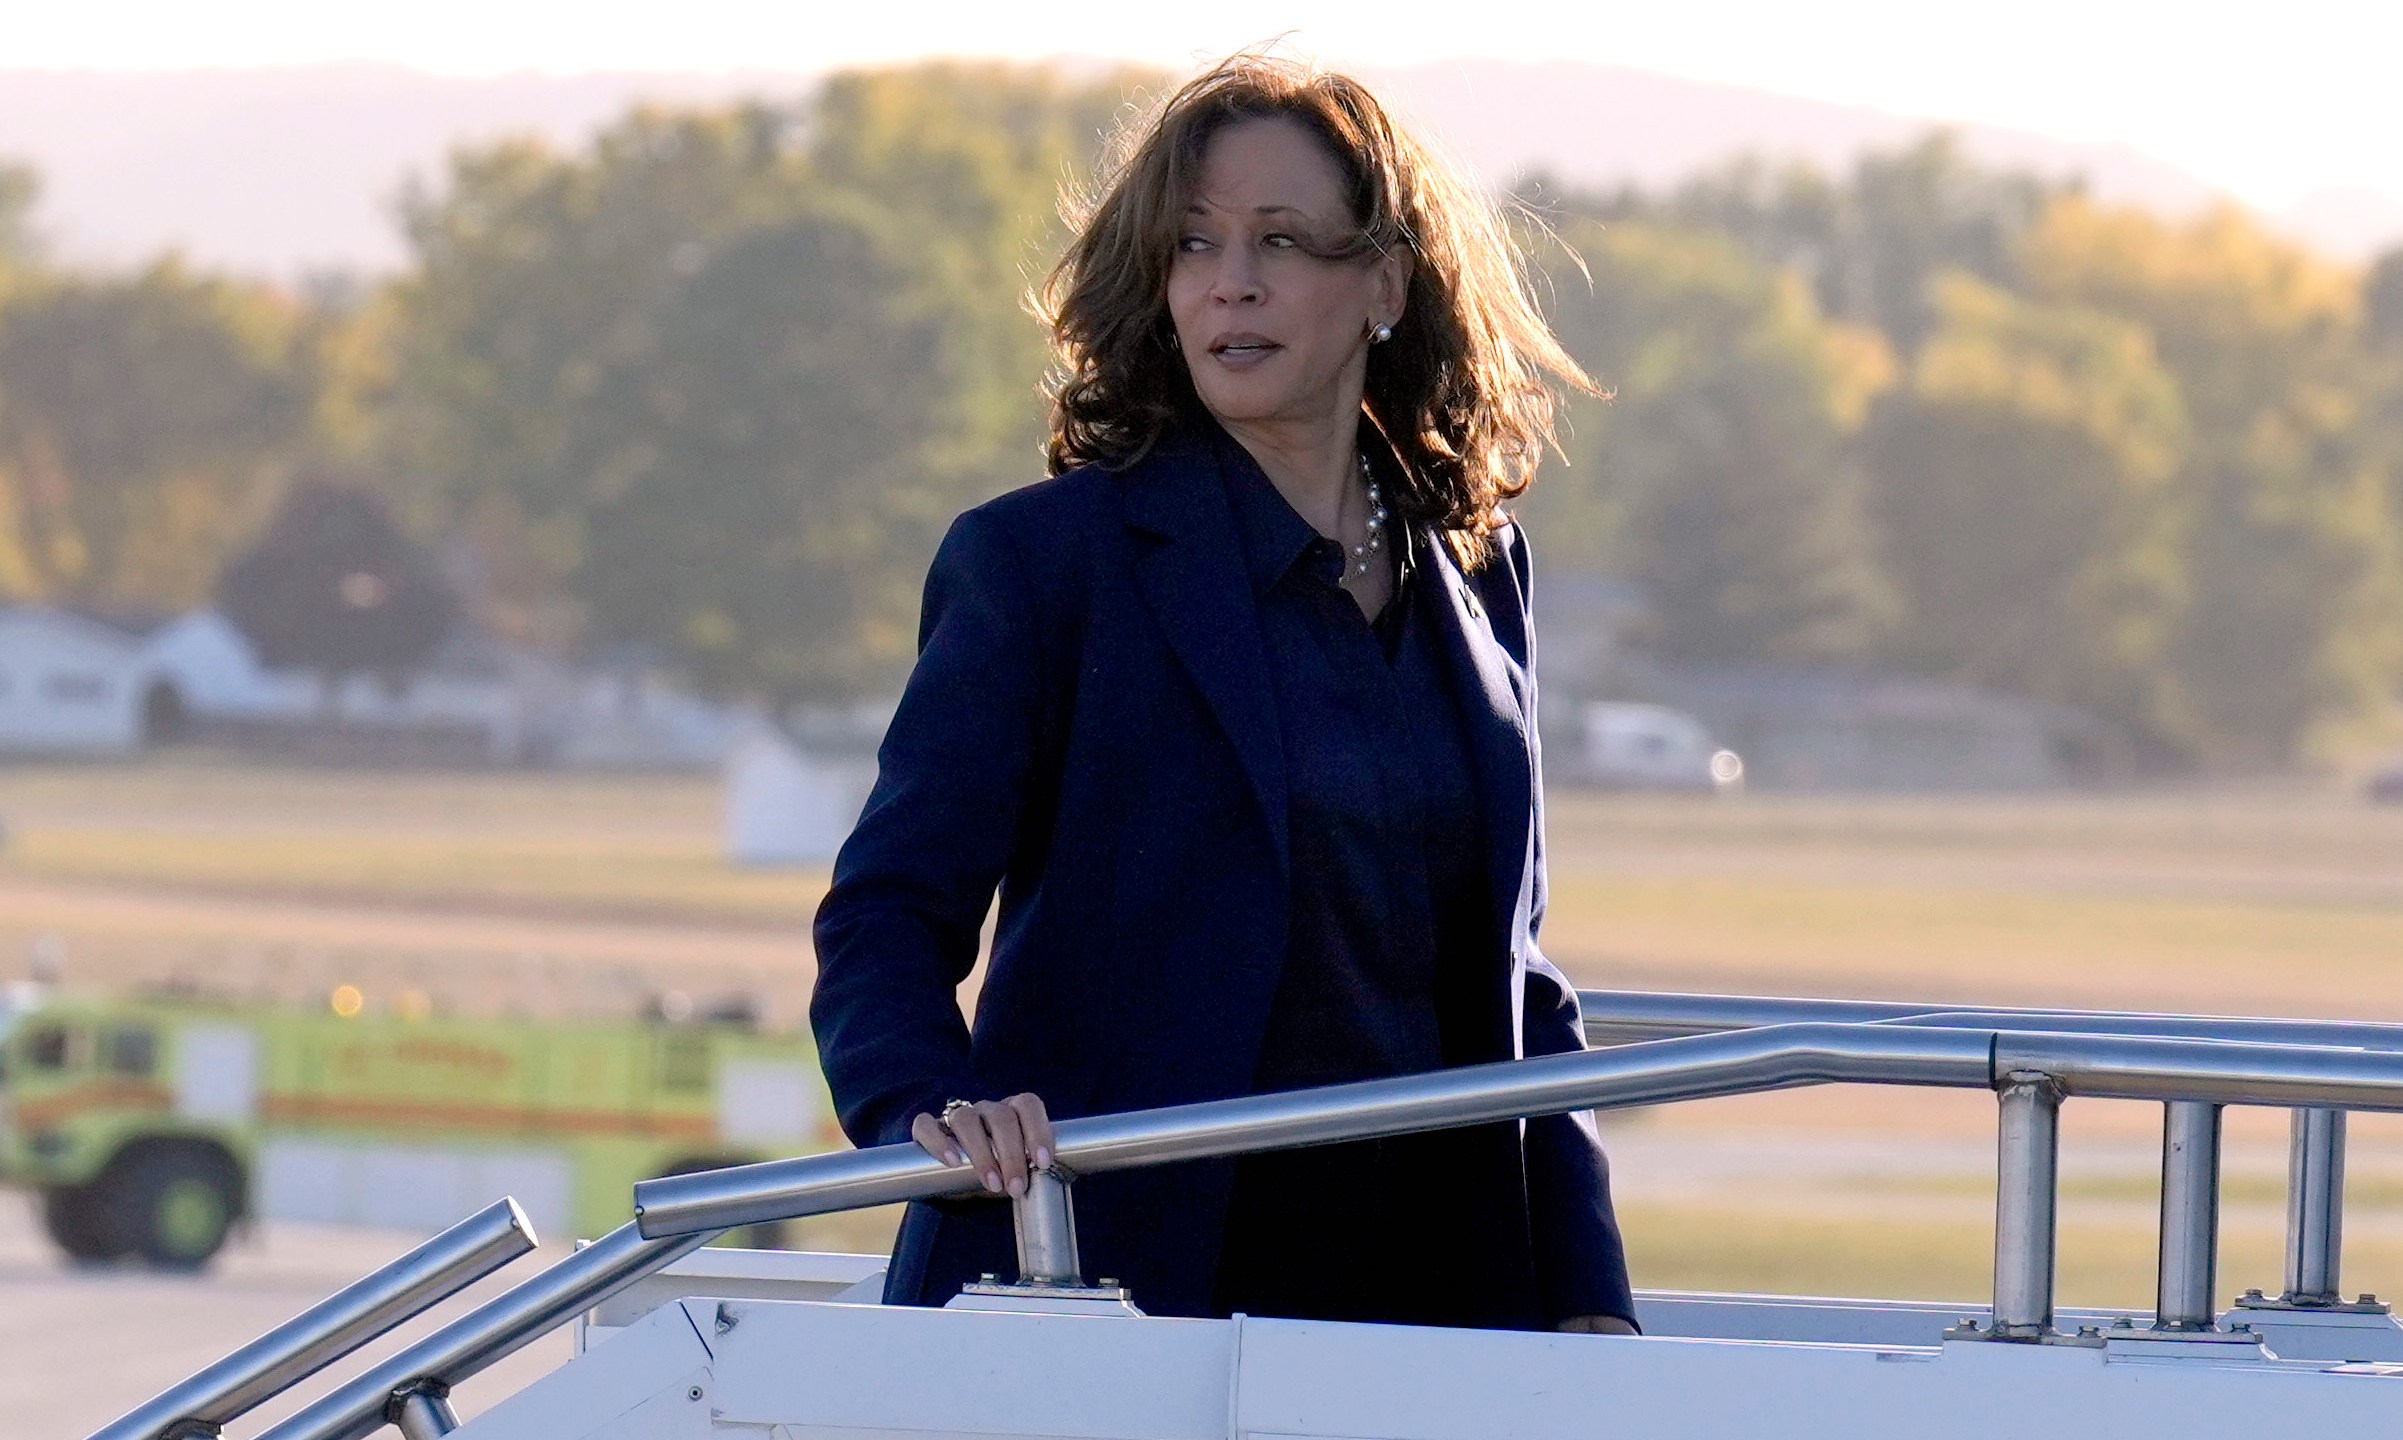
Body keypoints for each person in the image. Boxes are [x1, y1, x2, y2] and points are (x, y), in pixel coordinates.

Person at [810, 53, 1637, 1335]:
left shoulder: (1479, 567)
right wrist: (929, 1099)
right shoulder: (1042, 568)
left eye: (1281, 241)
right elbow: (883, 917)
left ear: (1385, 281)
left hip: (1430, 1313)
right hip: (1108, 1290)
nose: (1231, 281)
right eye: (1193, 245)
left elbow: (1517, 979)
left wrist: (1588, 1293)